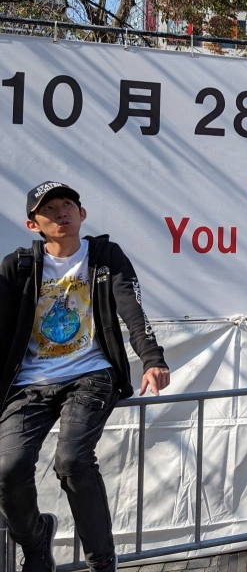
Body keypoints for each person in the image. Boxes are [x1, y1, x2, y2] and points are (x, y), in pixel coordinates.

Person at [0, 182, 170, 572]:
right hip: (31, 382)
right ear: (33, 224)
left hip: (90, 374)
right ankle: (36, 544)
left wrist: (151, 358)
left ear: (82, 213)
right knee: (8, 469)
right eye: (50, 209)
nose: (62, 212)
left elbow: (133, 310)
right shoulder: (18, 266)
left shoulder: (105, 257)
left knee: (73, 460)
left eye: (68, 204)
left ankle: (102, 563)